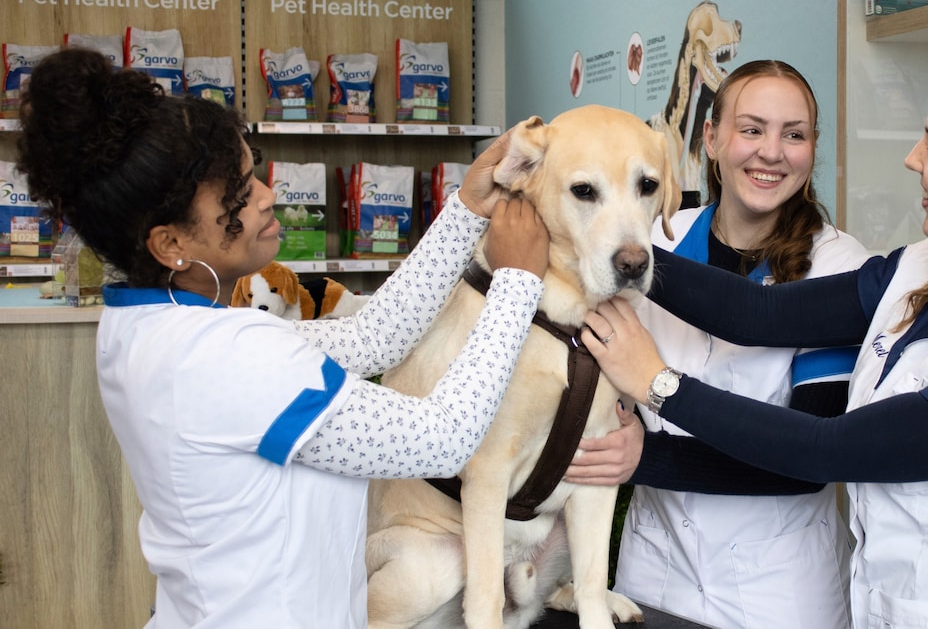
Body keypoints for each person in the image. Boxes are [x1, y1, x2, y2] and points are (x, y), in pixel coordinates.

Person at [579, 54, 928, 628]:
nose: (913, 159)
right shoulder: (926, 270)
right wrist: (597, 239)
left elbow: (827, 449)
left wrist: (657, 383)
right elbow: (758, 314)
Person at [17, 48, 549, 629]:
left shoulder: (146, 323)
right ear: (171, 245)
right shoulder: (229, 358)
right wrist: (517, 282)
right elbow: (442, 440)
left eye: (253, 173)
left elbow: (374, 339)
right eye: (237, 198)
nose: (267, 196)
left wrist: (468, 207)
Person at [564, 60, 867, 628]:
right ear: (711, 137)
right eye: (751, 129)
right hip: (654, 569)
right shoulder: (651, 240)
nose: (771, 152)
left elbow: (806, 463)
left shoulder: (839, 268)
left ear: (813, 148)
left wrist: (644, 456)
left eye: (793, 134)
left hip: (778, 588)